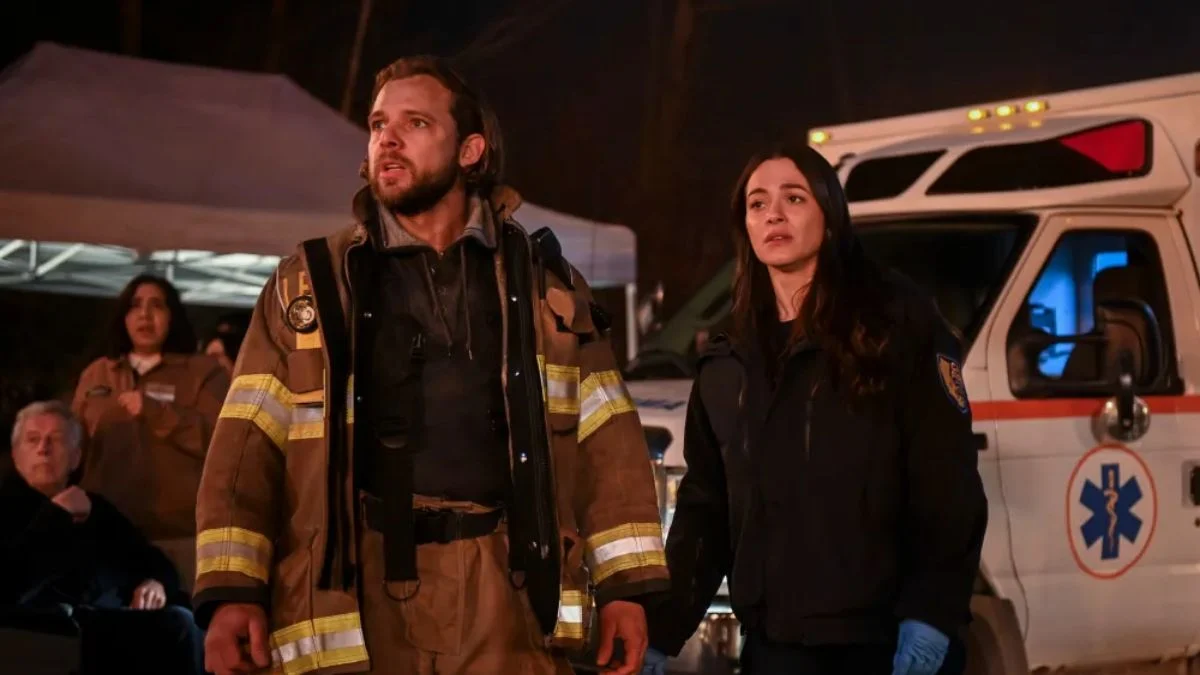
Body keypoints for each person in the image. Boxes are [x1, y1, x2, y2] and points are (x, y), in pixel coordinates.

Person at [194, 55, 668, 675]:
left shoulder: (549, 285)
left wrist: (626, 590)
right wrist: (232, 591)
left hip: (512, 592)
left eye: (414, 123)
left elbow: (608, 438)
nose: (386, 139)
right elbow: (244, 446)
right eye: (377, 124)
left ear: (471, 151)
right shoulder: (309, 285)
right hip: (361, 591)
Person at [643, 144, 988, 675]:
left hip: (883, 645)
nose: (773, 214)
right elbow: (705, 510)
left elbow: (948, 486)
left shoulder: (897, 332)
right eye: (757, 204)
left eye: (794, 198)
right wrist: (660, 633)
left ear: (829, 218)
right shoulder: (728, 362)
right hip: (775, 648)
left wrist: (932, 616)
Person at [1, 400, 204, 674]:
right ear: (15, 455)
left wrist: (155, 583)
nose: (43, 448)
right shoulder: (8, 505)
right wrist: (57, 515)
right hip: (43, 631)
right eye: (33, 440)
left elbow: (150, 559)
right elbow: (11, 582)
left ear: (75, 457)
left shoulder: (95, 508)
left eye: (56, 439)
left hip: (108, 624)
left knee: (185, 621)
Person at [72, 274, 231, 587]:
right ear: (124, 317)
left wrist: (157, 413)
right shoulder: (98, 373)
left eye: (156, 305)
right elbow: (75, 444)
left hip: (178, 537)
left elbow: (223, 442)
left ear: (173, 315)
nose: (145, 314)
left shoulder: (203, 373)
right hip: (105, 536)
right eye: (135, 306)